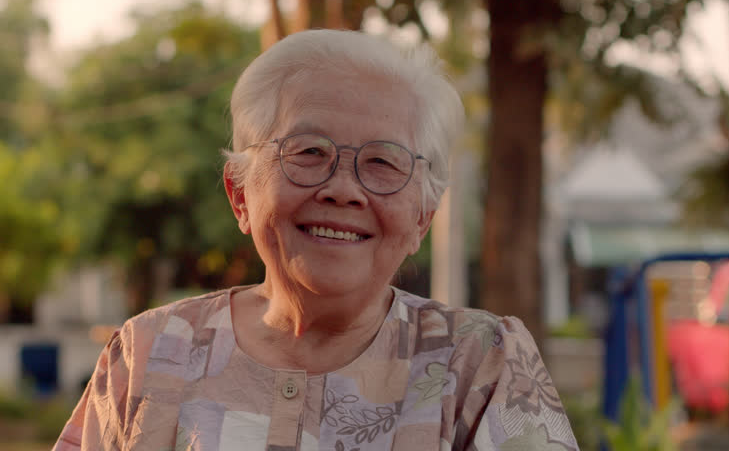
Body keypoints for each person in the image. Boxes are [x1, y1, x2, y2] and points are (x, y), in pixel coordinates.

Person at [53, 29, 579, 451]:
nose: (344, 190)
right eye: (308, 152)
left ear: (423, 217)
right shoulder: (149, 355)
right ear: (240, 194)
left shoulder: (477, 365)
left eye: (382, 162)